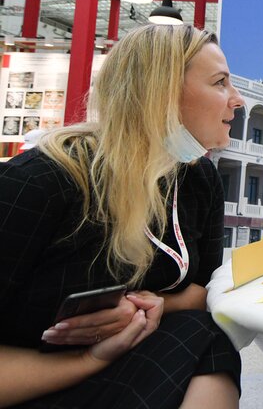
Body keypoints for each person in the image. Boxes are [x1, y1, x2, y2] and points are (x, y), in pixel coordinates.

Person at [0, 24, 245, 408]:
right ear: (160, 93)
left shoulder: (197, 179)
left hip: (120, 359)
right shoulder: (43, 181)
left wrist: (151, 305)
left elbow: (200, 290)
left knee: (206, 333)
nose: (238, 100)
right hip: (34, 378)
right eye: (220, 83)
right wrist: (88, 359)